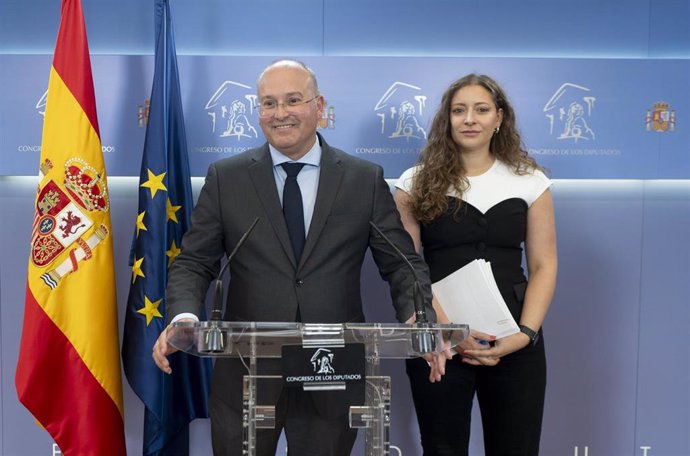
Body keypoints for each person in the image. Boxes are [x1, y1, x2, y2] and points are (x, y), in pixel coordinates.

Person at [152, 59, 435, 456]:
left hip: (332, 366)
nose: (280, 113)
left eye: (293, 100)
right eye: (268, 103)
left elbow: (401, 264)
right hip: (246, 371)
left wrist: (420, 321)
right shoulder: (227, 177)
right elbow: (195, 262)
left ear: (319, 107)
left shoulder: (362, 178)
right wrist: (183, 318)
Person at [395, 74, 557, 456]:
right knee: (443, 448)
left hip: (515, 343)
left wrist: (523, 336)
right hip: (439, 344)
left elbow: (544, 266)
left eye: (481, 110)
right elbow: (404, 268)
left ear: (499, 118)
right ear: (446, 119)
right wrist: (445, 331)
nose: (470, 119)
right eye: (459, 110)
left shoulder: (530, 182)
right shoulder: (413, 183)